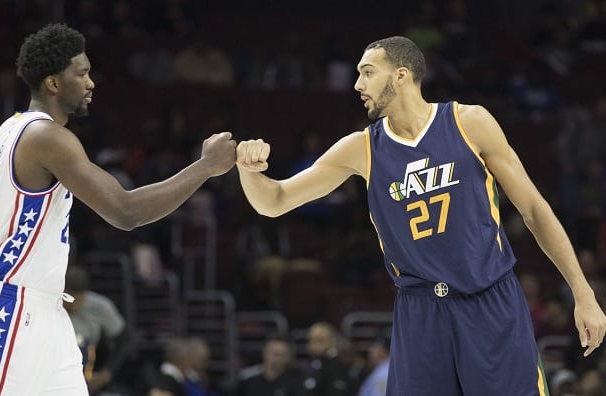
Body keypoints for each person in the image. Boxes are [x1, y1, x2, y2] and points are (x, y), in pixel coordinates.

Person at [236, 36, 606, 395]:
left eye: (367, 72)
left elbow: (534, 209)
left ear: (401, 75)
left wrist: (582, 292)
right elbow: (275, 201)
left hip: (489, 298)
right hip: (421, 312)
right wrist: (249, 170)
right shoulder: (362, 148)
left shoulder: (468, 122)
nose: (357, 84)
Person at [0, 23, 235, 395]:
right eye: (81, 73)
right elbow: (125, 211)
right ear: (53, 83)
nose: (91, 82)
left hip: (48, 317)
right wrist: (205, 166)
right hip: (6, 313)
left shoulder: (1, 137)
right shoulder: (48, 138)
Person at [64, 265, 129, 394]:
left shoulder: (99, 307)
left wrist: (107, 372)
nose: (73, 304)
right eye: (69, 299)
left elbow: (125, 340)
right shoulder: (49, 304)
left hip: (86, 367)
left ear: (85, 294)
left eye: (78, 299)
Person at [235, 333, 304, 396]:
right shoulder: (248, 379)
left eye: (281, 354)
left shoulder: (296, 382)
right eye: (272, 352)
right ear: (264, 352)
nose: (275, 358)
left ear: (288, 357)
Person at [301, 322, 353, 396]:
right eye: (311, 340)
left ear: (331, 341)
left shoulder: (338, 368)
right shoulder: (312, 365)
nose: (313, 344)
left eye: (320, 340)